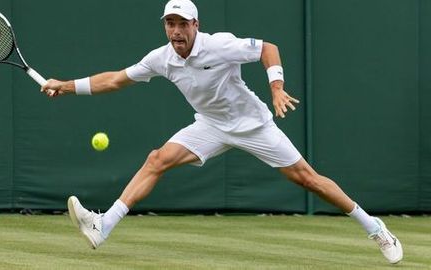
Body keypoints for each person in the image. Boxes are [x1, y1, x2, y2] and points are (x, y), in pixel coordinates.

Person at [41, 0, 402, 264]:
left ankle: (374, 228)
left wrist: (276, 86)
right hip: (210, 125)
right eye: (170, 23)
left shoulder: (219, 44)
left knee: (308, 179)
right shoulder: (161, 57)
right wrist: (66, 85)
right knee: (157, 159)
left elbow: (268, 49)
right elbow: (116, 79)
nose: (176, 31)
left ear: (196, 25)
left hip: (253, 124)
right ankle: (103, 225)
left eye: (182, 24)